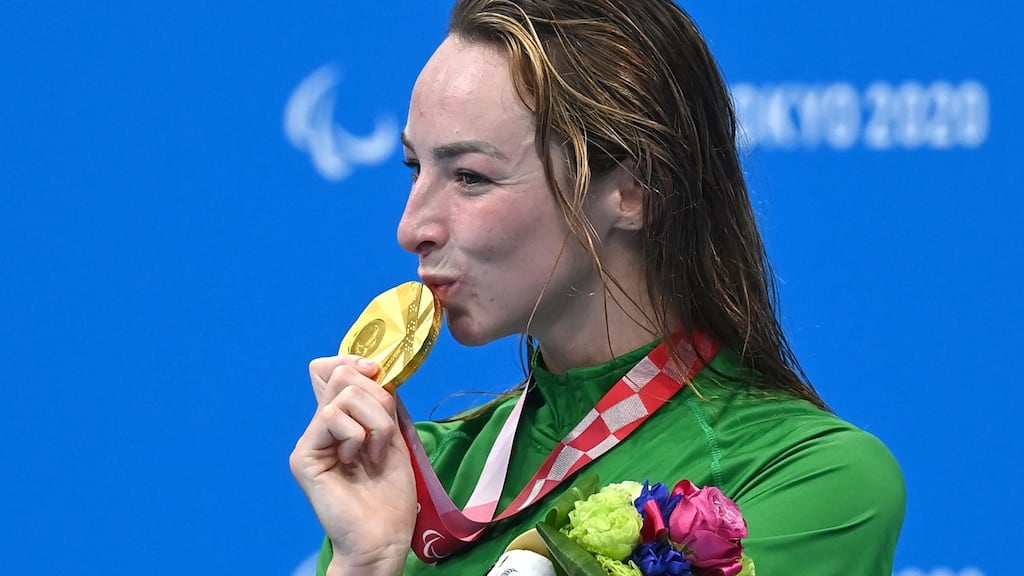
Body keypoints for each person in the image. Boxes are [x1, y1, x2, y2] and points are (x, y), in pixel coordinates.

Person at [290, 0, 907, 574]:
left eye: (471, 177)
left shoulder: (811, 479)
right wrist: (366, 562)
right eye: (415, 168)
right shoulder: (408, 479)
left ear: (635, 191)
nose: (411, 227)